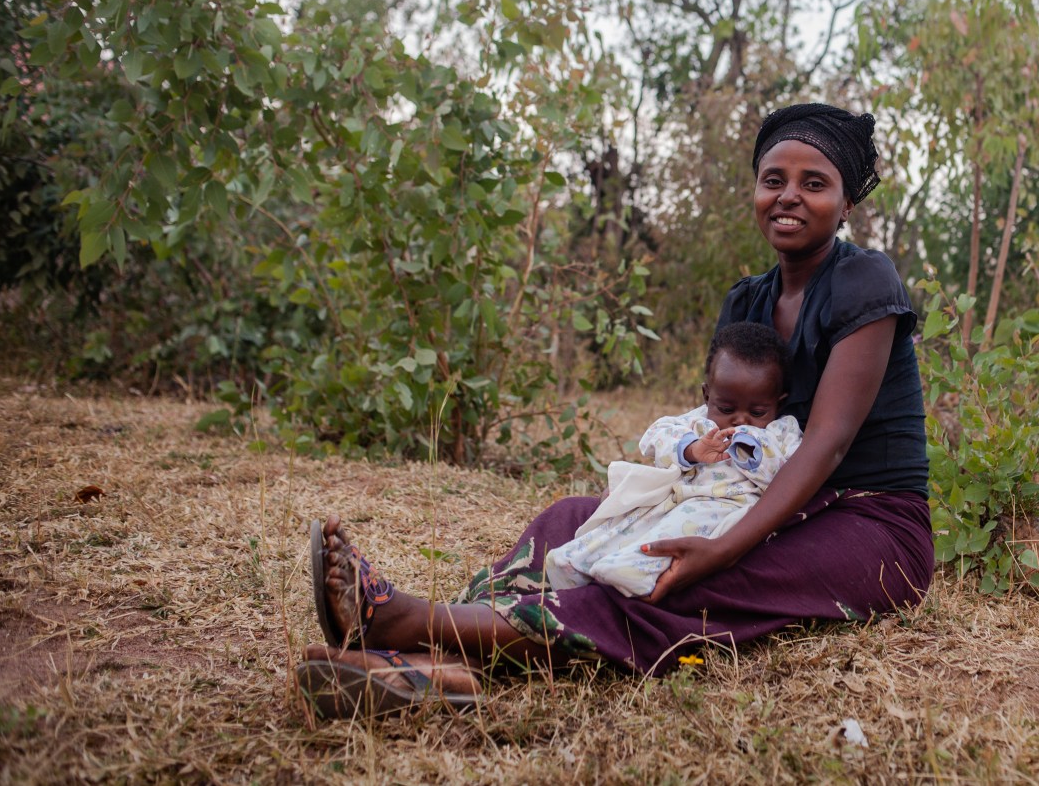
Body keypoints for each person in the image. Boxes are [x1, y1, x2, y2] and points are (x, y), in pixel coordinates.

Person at [297, 101, 932, 718]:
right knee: (573, 520)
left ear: (847, 203)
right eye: (774, 180)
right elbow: (713, 430)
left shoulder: (864, 282)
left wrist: (726, 547)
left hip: (866, 524)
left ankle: (414, 624)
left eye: (814, 183)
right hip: (752, 498)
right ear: (756, 192)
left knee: (676, 575)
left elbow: (828, 444)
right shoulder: (748, 304)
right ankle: (443, 652)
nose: (789, 195)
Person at [543, 321, 801, 598]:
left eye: (758, 411)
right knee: (624, 527)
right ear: (707, 395)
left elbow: (789, 475)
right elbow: (657, 434)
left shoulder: (782, 430)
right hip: (673, 497)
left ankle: (632, 571)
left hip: (722, 509)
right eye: (726, 408)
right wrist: (691, 449)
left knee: (669, 535)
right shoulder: (698, 420)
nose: (740, 419)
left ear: (778, 402)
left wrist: (752, 445)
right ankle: (573, 563)